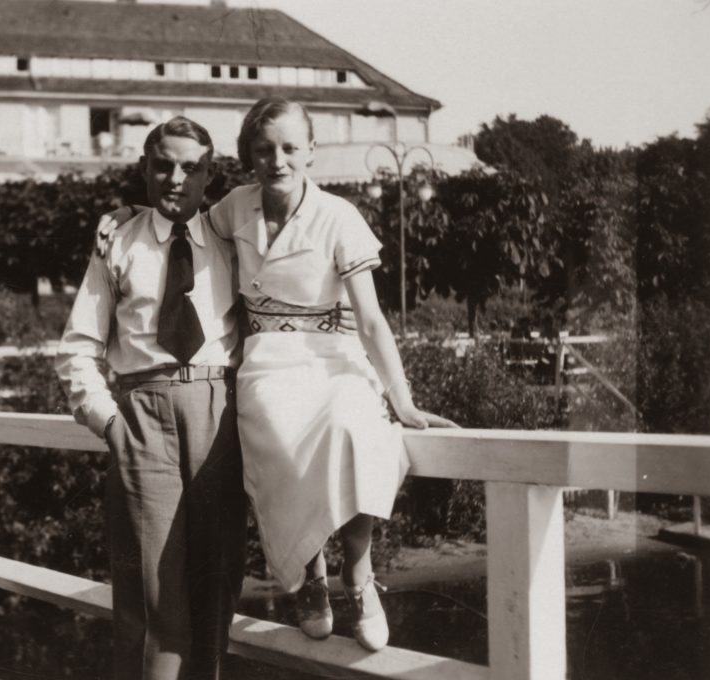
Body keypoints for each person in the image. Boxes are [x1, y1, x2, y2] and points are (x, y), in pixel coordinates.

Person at [97, 97, 456, 653]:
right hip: (266, 359)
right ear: (249, 155)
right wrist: (127, 214)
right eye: (264, 149)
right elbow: (181, 220)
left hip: (334, 356)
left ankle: (358, 574)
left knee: (356, 427)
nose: (278, 160)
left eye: (290, 148)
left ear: (311, 151)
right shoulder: (234, 207)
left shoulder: (339, 215)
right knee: (280, 436)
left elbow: (370, 319)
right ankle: (310, 575)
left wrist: (402, 399)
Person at [55, 116, 247, 680]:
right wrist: (110, 423)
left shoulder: (232, 238)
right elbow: (78, 346)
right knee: (152, 591)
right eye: (163, 165)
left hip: (219, 413)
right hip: (143, 414)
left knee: (218, 582)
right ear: (144, 167)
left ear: (210, 174)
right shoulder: (118, 240)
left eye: (191, 167)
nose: (176, 178)